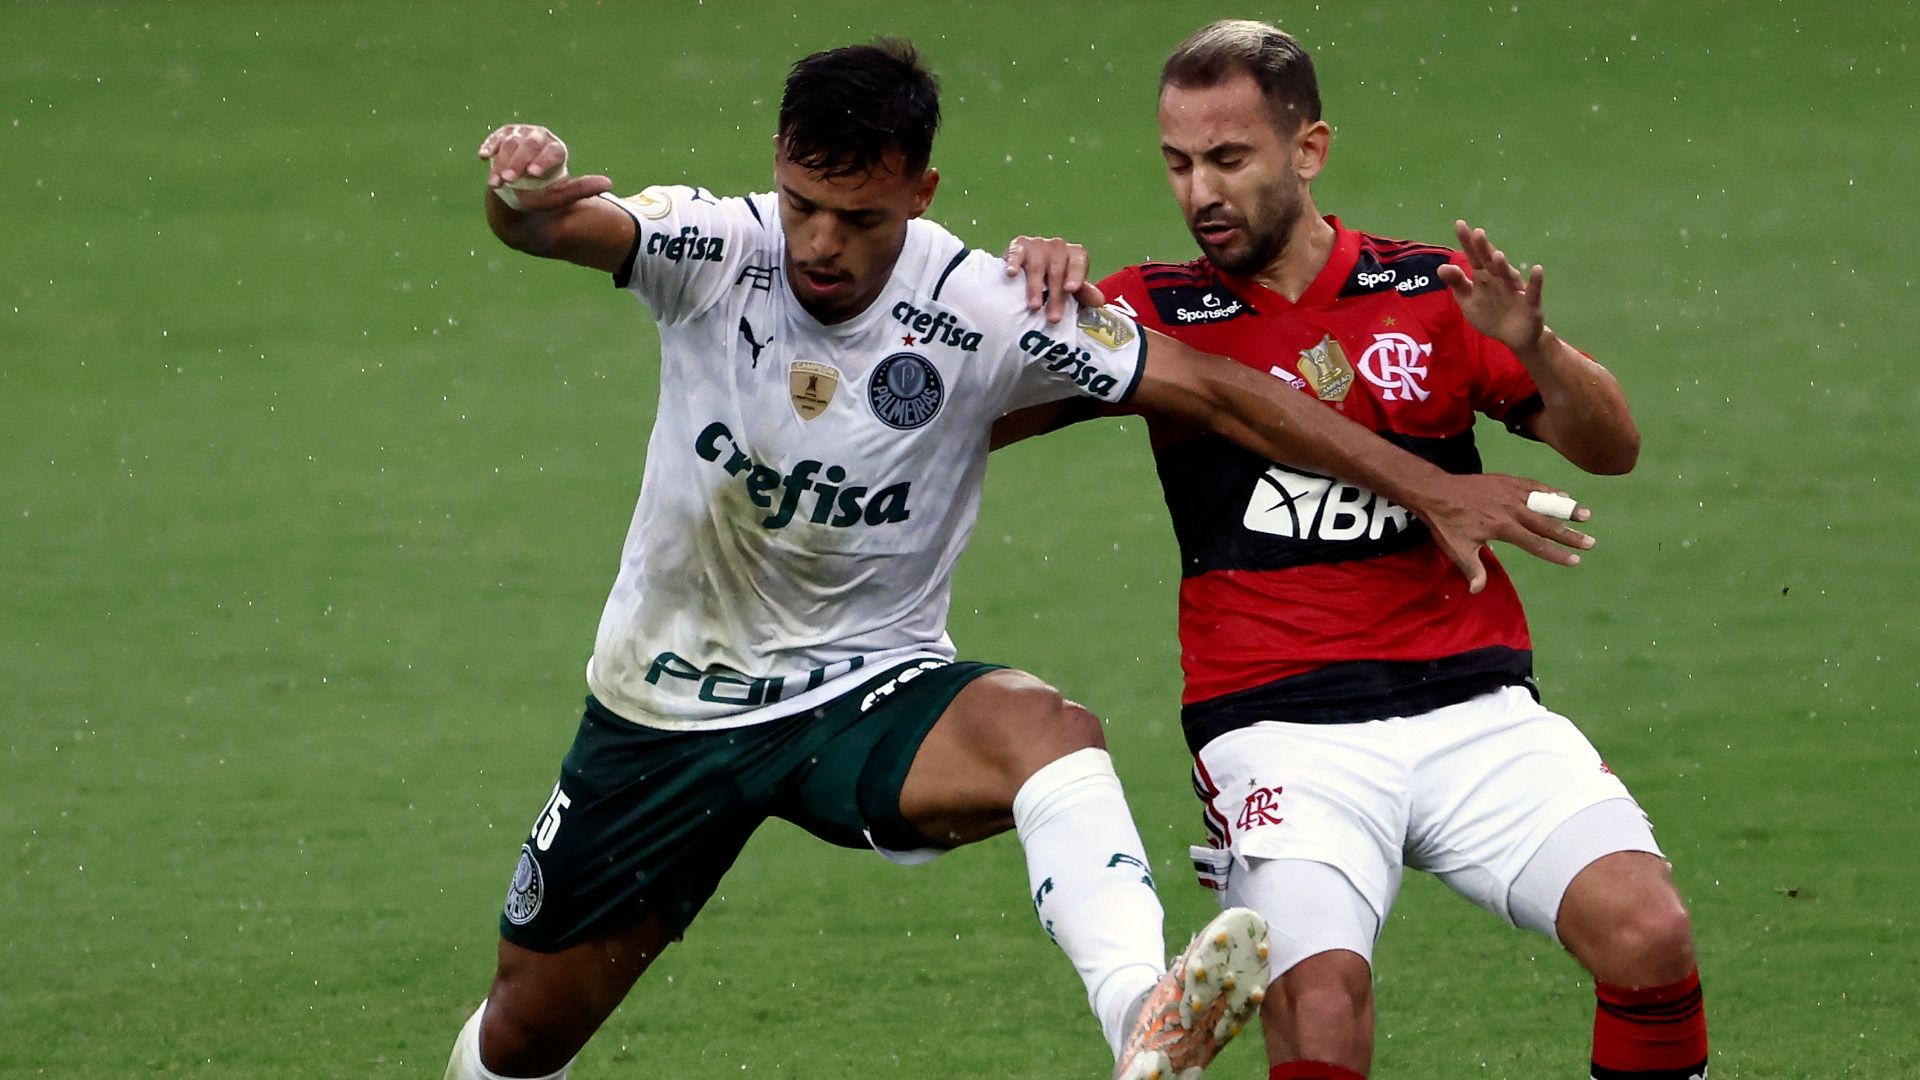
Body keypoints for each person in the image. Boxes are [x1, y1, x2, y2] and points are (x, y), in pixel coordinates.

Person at [444, 38, 1593, 1080]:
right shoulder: (714, 245)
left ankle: (1145, 1018)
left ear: (921, 191)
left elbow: (1222, 393)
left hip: (866, 692)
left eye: (859, 217)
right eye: (802, 205)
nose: (821, 245)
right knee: (525, 1034)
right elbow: (548, 227)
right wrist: (519, 189)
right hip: (664, 710)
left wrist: (1432, 486)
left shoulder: (989, 305)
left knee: (1053, 733)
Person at [993, 20, 1708, 1080]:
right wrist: (1015, 296)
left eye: (1229, 159)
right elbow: (970, 413)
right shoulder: (1152, 311)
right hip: (1279, 729)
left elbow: (1613, 450)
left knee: (1650, 933)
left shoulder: (1427, 292)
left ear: (1309, 149)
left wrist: (1537, 348)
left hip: (1474, 708)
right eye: (1178, 164)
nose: (1201, 193)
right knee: (1321, 1005)